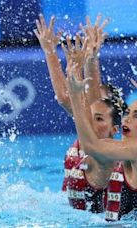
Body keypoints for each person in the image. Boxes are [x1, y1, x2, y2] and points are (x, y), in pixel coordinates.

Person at [35, 14, 122, 213]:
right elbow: (65, 97)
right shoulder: (86, 126)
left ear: (114, 127)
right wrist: (50, 50)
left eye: (100, 115)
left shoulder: (109, 153)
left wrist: (90, 60)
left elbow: (85, 99)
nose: (91, 105)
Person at [66, 57, 137, 221]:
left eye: (136, 116)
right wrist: (91, 57)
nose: (126, 119)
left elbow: (90, 146)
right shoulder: (119, 151)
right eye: (127, 113)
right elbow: (95, 108)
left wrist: (76, 95)